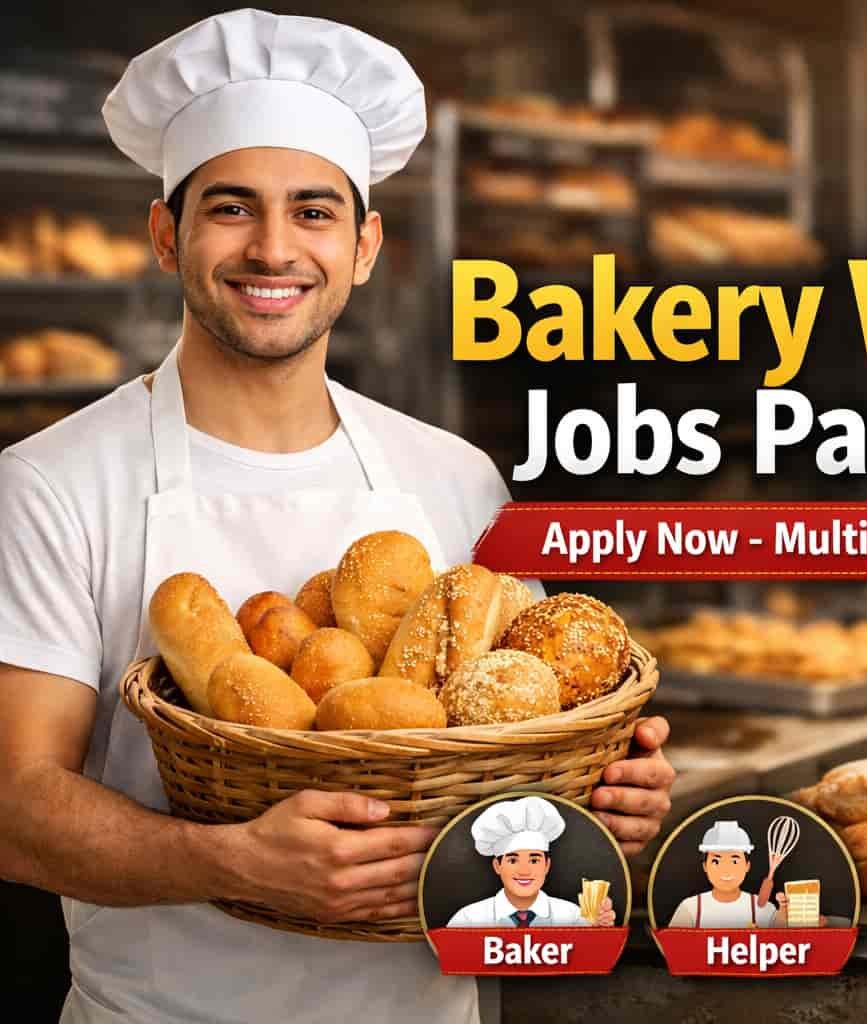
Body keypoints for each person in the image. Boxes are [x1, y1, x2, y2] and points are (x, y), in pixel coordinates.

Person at [0, 11, 673, 1023]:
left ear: (364, 248)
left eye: (314, 213)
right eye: (231, 208)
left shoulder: (455, 478)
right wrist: (232, 860)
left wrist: (603, 799)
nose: (273, 247)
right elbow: (16, 809)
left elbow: (523, 747)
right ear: (164, 233)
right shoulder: (52, 481)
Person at [446, 797, 614, 928]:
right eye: (513, 860)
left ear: (547, 865)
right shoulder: (467, 920)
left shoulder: (574, 918)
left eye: (534, 860)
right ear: (497, 866)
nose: (524, 871)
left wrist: (600, 930)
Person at [665, 821, 787, 928]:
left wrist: (783, 908)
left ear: (747, 866)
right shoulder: (690, 909)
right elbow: (673, 946)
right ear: (705, 867)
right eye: (716, 861)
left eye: (734, 861)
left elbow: (782, 940)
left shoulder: (763, 910)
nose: (726, 870)